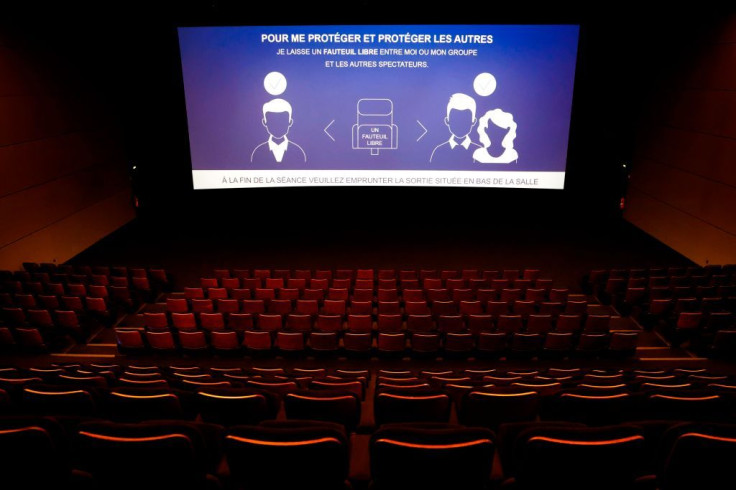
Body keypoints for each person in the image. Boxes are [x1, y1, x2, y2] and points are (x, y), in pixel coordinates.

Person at [251, 98, 307, 164]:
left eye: (283, 120)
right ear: (264, 122)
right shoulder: (258, 152)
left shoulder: (298, 152)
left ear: (290, 122)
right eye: (272, 120)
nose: (278, 124)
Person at [430, 93, 481, 164]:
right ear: (447, 121)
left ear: (473, 122)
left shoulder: (480, 152)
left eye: (465, 119)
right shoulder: (439, 152)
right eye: (455, 118)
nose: (460, 124)